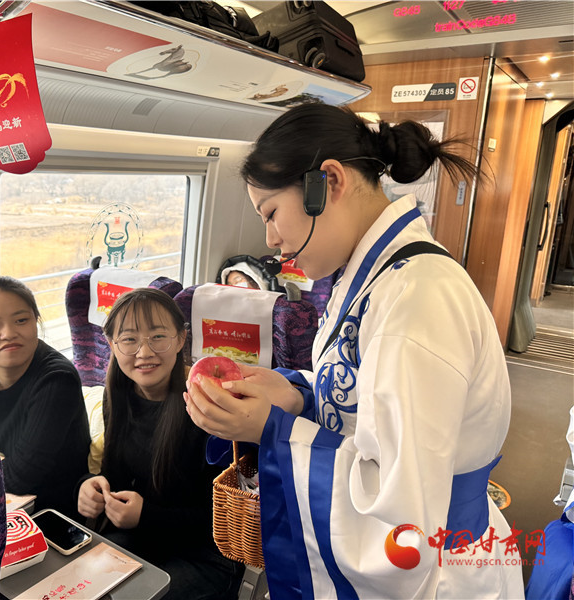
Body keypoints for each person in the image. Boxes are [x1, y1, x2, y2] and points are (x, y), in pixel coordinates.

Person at [184, 104, 525, 599]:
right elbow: (369, 398)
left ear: (329, 182)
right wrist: (297, 395)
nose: (270, 239)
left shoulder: (415, 301)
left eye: (272, 213)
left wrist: (272, 430)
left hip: (441, 573)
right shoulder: (374, 277)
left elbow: (398, 510)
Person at [77, 288, 243, 599]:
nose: (144, 352)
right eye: (129, 339)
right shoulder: (118, 396)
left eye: (158, 337)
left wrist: (146, 515)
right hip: (142, 536)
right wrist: (91, 487)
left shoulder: (210, 404)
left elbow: (227, 516)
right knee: (83, 584)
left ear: (181, 339)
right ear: (112, 344)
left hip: (204, 553)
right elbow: (117, 478)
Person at [0, 276, 90, 518]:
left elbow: (21, 477)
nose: (9, 333)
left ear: (36, 323)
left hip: (47, 512)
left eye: (21, 320)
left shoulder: (57, 380)